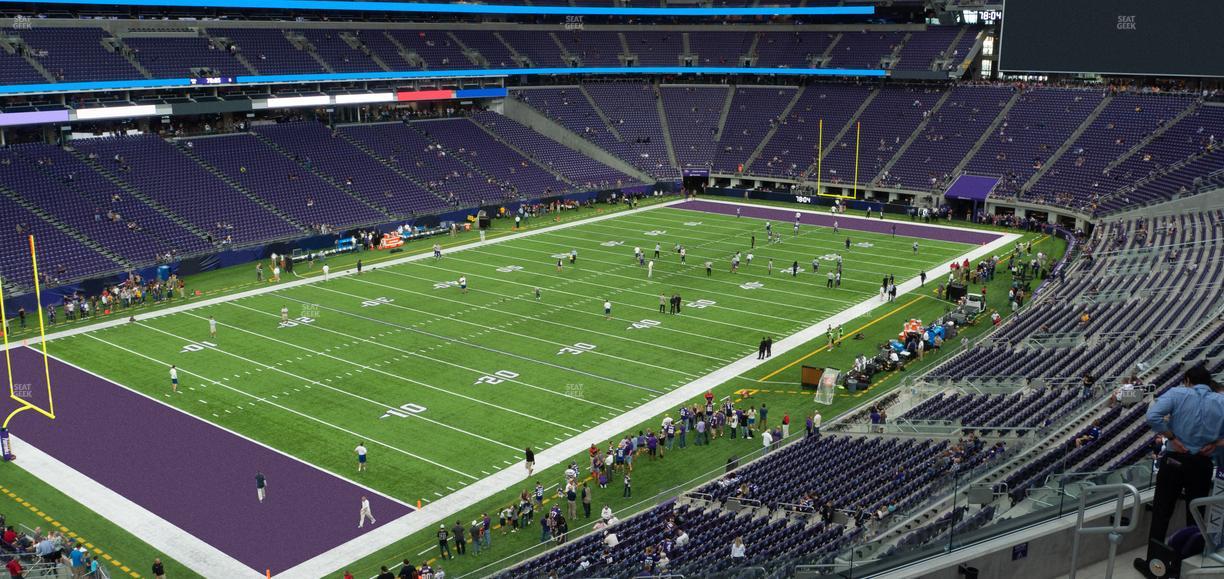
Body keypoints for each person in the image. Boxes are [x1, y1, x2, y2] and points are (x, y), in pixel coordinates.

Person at [1135, 366, 1224, 575]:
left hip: (1174, 461)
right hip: (1202, 462)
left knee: (1161, 513)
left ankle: (1155, 566)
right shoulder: (1221, 401)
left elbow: (1152, 416)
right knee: (1196, 515)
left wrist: (1172, 437)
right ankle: (1184, 565)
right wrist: (1216, 443)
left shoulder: (1177, 393)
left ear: (1187, 380)